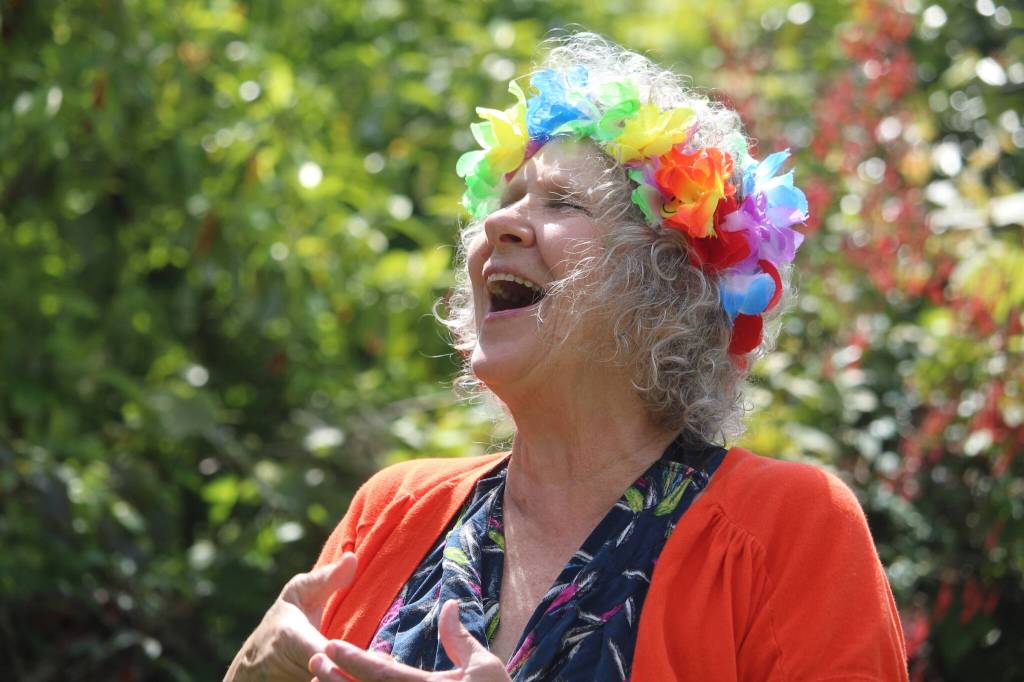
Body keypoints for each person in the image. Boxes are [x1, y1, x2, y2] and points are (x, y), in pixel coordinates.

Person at [225, 33, 908, 682]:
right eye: (507, 199)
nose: (499, 223)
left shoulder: (790, 528)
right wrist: (251, 671)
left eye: (561, 203)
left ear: (664, 284)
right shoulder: (391, 511)